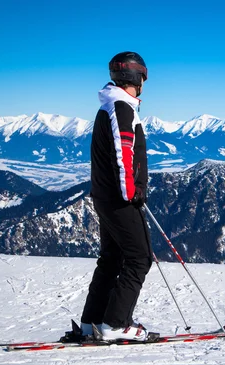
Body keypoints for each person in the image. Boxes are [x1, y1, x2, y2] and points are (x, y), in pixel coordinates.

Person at [80, 51, 152, 341]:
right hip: (120, 199)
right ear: (137, 77)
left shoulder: (111, 107)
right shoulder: (121, 108)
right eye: (144, 78)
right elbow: (124, 154)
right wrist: (132, 192)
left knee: (112, 258)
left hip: (106, 196)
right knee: (139, 258)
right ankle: (115, 324)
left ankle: (93, 322)